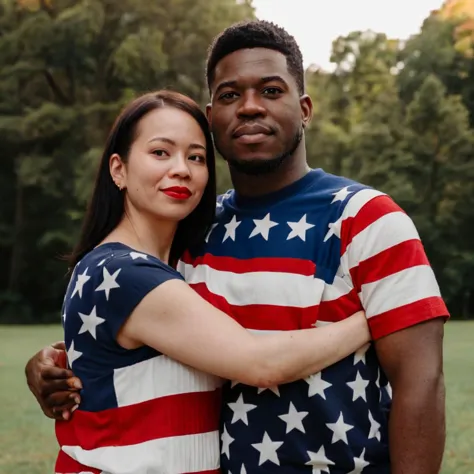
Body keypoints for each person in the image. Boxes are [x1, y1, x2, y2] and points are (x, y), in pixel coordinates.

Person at [25, 21, 448, 474]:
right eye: (229, 95)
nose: (249, 107)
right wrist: (52, 366)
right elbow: (133, 335)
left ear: (304, 108)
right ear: (212, 118)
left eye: (270, 90)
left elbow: (421, 383)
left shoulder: (366, 218)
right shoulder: (192, 231)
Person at [39, 88, 371, 474]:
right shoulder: (122, 273)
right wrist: (375, 317)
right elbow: (260, 363)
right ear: (119, 169)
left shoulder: (175, 267)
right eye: (160, 152)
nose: (181, 168)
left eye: (196, 157)